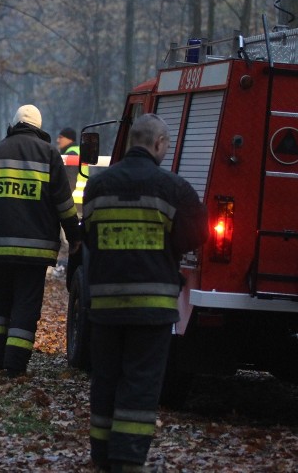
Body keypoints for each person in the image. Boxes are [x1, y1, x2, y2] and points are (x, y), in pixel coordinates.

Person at [81, 114, 208, 472]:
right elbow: (197, 235)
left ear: (130, 142)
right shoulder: (174, 189)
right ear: (159, 144)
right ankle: (128, 458)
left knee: (105, 379)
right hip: (152, 308)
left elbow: (88, 235)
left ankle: (102, 454)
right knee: (141, 381)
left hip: (105, 306)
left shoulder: (97, 186)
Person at [0, 104, 81, 378]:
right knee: (26, 301)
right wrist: (75, 236)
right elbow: (64, 202)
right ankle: (16, 363)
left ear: (13, 124)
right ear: (39, 127)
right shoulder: (49, 154)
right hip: (34, 247)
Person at [57, 126, 86, 211]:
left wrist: (62, 203)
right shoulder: (78, 151)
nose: (58, 140)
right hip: (80, 200)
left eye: (61, 137)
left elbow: (69, 182)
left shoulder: (71, 155)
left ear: (69, 139)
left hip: (72, 201)